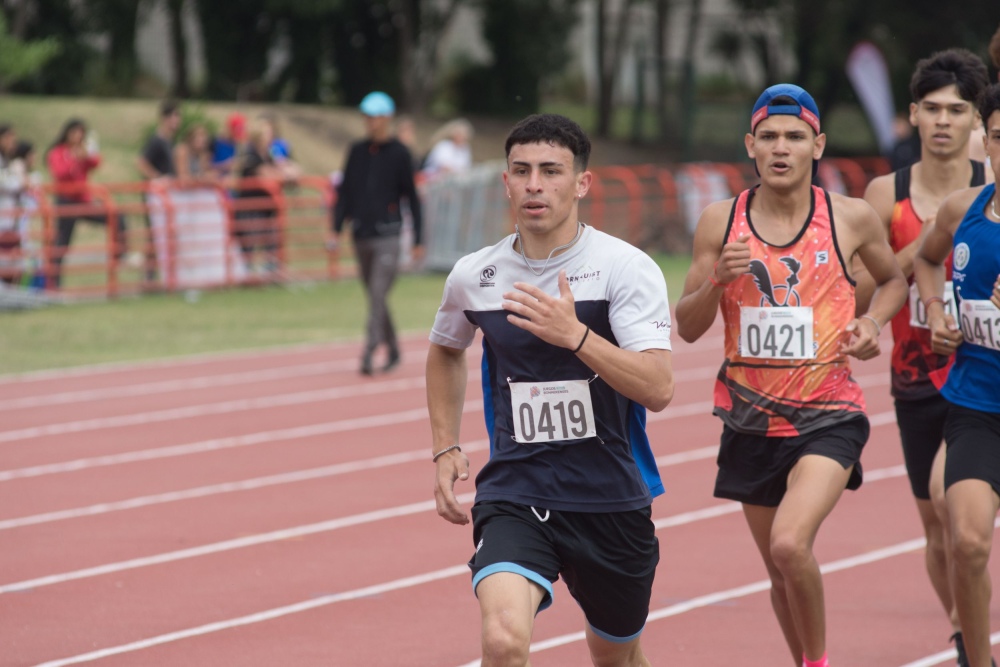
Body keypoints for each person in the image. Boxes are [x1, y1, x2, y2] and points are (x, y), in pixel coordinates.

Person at [427, 113, 673, 667]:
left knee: (616, 656)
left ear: (582, 183)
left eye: (551, 171)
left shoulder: (623, 269)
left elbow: (658, 388)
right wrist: (444, 446)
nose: (535, 184)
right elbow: (445, 348)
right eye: (521, 171)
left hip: (610, 495)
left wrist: (576, 336)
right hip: (517, 489)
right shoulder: (476, 274)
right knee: (503, 641)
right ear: (506, 182)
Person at [674, 84, 907, 667]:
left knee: (789, 544)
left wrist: (873, 322)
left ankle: (819, 662)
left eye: (795, 137)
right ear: (751, 145)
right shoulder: (718, 222)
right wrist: (716, 282)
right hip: (750, 418)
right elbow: (688, 325)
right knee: (778, 572)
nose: (782, 148)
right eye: (770, 137)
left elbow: (895, 280)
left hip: (829, 414)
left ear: (817, 145)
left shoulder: (848, 218)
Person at [859, 49, 990, 666]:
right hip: (916, 374)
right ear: (912, 115)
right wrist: (912, 266)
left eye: (956, 110)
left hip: (976, 372)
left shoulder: (988, 181)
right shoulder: (888, 192)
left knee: (952, 502)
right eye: (932, 109)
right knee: (938, 526)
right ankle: (966, 633)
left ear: (976, 122)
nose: (943, 122)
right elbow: (860, 290)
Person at [914, 82, 1000, 667]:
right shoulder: (962, 209)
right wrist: (941, 315)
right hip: (978, 405)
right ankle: (977, 658)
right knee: (966, 540)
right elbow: (923, 258)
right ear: (986, 140)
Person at [331, 91, 424, 375]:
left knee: (377, 292)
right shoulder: (356, 151)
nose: (370, 122)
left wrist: (419, 239)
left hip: (388, 235)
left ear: (387, 118)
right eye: (366, 117)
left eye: (375, 117)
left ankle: (369, 350)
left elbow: (413, 197)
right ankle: (394, 348)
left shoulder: (400, 153)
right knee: (376, 297)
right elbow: (344, 193)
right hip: (360, 234)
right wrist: (335, 229)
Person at [47, 118, 128, 287]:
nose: (78, 136)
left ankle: (120, 252)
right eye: (75, 132)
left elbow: (96, 162)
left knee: (116, 216)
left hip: (83, 201)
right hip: (66, 201)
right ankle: (54, 281)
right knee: (62, 242)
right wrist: (74, 160)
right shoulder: (58, 152)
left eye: (81, 133)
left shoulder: (81, 151)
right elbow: (60, 173)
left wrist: (87, 154)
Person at [234, 118, 293, 277]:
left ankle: (271, 271)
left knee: (272, 241)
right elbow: (268, 174)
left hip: (267, 207)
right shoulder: (250, 155)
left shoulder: (270, 154)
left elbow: (290, 169)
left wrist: (284, 171)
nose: (270, 137)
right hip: (250, 208)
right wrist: (282, 173)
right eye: (267, 134)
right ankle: (246, 274)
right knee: (248, 244)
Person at [212, 112, 246, 178]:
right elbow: (207, 166)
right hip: (217, 183)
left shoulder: (237, 145)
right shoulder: (215, 143)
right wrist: (226, 166)